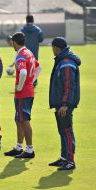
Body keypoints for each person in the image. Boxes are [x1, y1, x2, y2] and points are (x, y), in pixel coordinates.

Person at [4, 32, 41, 158]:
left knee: (24, 120)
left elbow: (24, 72)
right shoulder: (29, 52)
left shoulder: (20, 56)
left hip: (23, 93)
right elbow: (38, 68)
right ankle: (19, 147)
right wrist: (31, 81)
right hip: (29, 90)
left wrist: (19, 87)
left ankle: (29, 149)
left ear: (14, 42)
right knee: (19, 119)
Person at [48, 37, 81, 170]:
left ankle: (70, 161)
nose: (52, 50)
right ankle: (63, 158)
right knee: (62, 130)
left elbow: (69, 86)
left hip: (64, 105)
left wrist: (65, 104)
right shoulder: (63, 60)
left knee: (67, 131)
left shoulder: (66, 63)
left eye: (52, 48)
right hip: (61, 103)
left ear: (56, 48)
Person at [20, 15, 44, 87]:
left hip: (25, 52)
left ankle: (25, 82)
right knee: (34, 66)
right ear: (33, 20)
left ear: (26, 21)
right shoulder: (38, 30)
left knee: (25, 67)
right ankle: (34, 81)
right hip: (34, 51)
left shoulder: (22, 30)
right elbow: (41, 39)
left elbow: (20, 39)